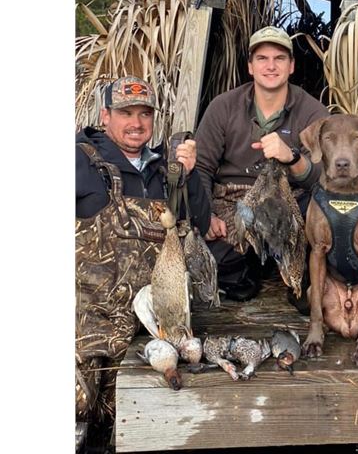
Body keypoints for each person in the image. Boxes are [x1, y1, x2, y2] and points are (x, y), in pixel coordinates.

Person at [75, 76, 211, 449]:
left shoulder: (166, 169)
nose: (136, 123)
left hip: (152, 328)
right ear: (105, 116)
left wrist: (190, 175)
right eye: (125, 113)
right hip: (89, 327)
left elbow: (199, 225)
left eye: (144, 114)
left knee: (141, 425)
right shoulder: (79, 159)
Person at [194, 26, 329, 302]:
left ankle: (296, 273)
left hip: (288, 202)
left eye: (279, 58)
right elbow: (201, 167)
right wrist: (206, 216)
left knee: (320, 212)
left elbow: (323, 177)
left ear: (291, 66)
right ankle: (251, 265)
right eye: (262, 58)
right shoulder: (223, 107)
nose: (271, 66)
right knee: (221, 263)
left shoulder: (313, 111)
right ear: (250, 67)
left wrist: (292, 157)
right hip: (234, 203)